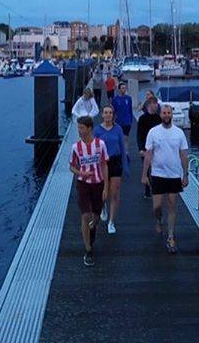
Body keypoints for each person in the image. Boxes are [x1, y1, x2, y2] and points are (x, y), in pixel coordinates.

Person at [141, 104, 188, 253]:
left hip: (174, 175)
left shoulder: (179, 133)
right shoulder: (153, 132)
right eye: (164, 113)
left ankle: (171, 236)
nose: (166, 115)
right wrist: (144, 174)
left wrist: (185, 174)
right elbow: (148, 154)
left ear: (172, 114)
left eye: (169, 113)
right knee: (157, 207)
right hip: (158, 174)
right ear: (160, 115)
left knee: (172, 205)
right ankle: (159, 220)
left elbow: (183, 154)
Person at [69, 116, 109, 267]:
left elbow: (104, 164)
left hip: (98, 184)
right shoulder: (75, 147)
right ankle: (88, 250)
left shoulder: (100, 144)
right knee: (85, 215)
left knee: (96, 217)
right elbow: (72, 166)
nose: (79, 131)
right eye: (78, 128)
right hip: (83, 184)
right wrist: (81, 173)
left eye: (81, 128)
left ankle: (92, 230)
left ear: (89, 128)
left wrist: (106, 187)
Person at [94, 105, 127, 234]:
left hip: (115, 161)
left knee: (115, 193)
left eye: (110, 113)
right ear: (102, 115)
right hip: (102, 162)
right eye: (106, 112)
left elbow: (122, 147)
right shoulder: (97, 130)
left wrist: (125, 166)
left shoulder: (118, 129)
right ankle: (103, 207)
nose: (108, 115)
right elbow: (94, 149)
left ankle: (111, 222)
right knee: (103, 191)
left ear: (113, 115)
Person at [136, 97, 161, 198]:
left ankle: (155, 188)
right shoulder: (142, 119)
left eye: (156, 104)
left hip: (157, 148)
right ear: (148, 105)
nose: (154, 106)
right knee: (147, 168)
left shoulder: (159, 119)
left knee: (155, 169)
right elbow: (139, 135)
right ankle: (147, 188)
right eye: (152, 104)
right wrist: (141, 148)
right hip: (146, 147)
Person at [111, 82, 133, 151]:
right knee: (119, 138)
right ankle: (119, 151)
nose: (124, 89)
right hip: (118, 121)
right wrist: (113, 121)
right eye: (123, 88)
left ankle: (126, 152)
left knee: (126, 138)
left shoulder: (128, 98)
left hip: (127, 122)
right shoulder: (115, 99)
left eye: (125, 88)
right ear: (119, 89)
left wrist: (131, 119)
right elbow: (113, 111)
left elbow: (130, 109)